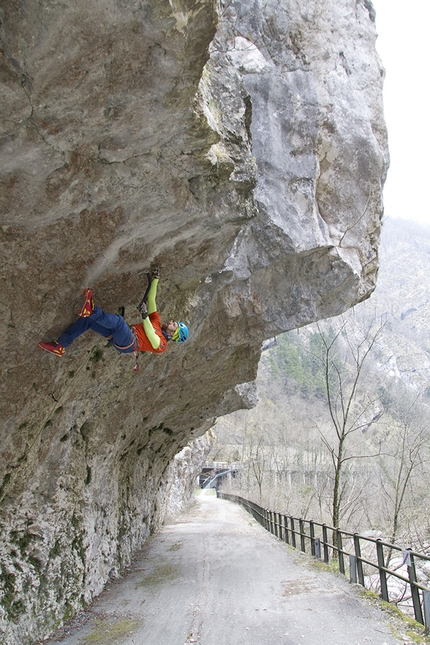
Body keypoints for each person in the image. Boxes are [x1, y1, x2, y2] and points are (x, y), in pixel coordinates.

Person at [38, 268, 188, 363]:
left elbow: (151, 336)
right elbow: (151, 299)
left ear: (174, 334)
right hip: (124, 338)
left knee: (118, 322)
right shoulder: (156, 320)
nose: (172, 321)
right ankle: (61, 345)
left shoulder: (162, 345)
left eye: (174, 325)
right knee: (88, 321)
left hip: (129, 341)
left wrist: (144, 316)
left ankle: (91, 310)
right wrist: (156, 280)